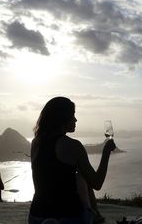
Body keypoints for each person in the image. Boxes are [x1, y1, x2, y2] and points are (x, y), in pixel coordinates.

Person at [29, 96, 116, 224]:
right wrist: (106, 152)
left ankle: (96, 215)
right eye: (72, 115)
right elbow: (97, 183)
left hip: (37, 216)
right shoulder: (73, 145)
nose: (75, 119)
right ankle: (96, 216)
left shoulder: (35, 143)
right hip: (69, 217)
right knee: (83, 177)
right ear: (63, 118)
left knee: (81, 175)